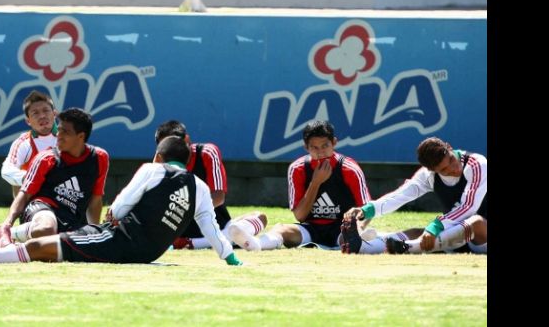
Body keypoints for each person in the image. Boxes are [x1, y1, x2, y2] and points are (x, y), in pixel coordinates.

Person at [0, 136, 243, 267]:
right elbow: (212, 229)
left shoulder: (152, 168)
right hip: (149, 252)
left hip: (121, 240)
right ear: (187, 162)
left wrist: (114, 217)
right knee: (53, 241)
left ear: (159, 156)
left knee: (44, 249)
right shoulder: (200, 186)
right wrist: (229, 258)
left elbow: (122, 203)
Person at [0, 108, 109, 246]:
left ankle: (8, 235)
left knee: (67, 241)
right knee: (46, 229)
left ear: (81, 136)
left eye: (65, 132)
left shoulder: (99, 158)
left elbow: (95, 200)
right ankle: (3, 233)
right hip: (41, 208)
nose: (58, 135)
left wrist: (94, 233)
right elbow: (24, 195)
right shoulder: (46, 158)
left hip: (72, 216)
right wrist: (7, 223)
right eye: (59, 129)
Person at [231, 120, 371, 251]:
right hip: (311, 228)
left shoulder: (349, 168)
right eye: (314, 147)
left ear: (334, 143)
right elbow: (300, 216)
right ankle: (256, 245)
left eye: (325, 146)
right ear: (306, 147)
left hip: (342, 228)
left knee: (349, 238)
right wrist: (315, 183)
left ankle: (361, 241)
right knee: (281, 229)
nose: (320, 152)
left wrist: (357, 229)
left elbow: (368, 209)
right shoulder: (297, 168)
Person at [341, 136, 487, 254]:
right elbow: (399, 196)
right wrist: (366, 211)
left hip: (482, 235)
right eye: (444, 170)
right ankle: (365, 246)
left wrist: (435, 226)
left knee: (476, 222)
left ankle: (409, 248)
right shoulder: (428, 175)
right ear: (431, 170)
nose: (453, 169)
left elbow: (469, 206)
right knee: (417, 232)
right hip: (456, 238)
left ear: (449, 147)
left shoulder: (478, 164)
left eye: (451, 160)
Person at [153, 120, 268, 251]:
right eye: (167, 147)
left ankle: (197, 242)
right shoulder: (159, 164)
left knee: (260, 216)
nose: (173, 151)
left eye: (175, 145)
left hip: (213, 222)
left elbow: (219, 197)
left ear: (187, 139)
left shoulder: (207, 153)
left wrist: (187, 210)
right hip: (178, 227)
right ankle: (222, 239)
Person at [0, 90, 58, 198]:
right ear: (28, 121)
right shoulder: (23, 142)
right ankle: (24, 213)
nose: (42, 116)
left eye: (46, 110)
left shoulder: (68, 138)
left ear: (54, 114)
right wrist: (30, 178)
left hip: (65, 198)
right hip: (33, 201)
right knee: (16, 180)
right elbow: (6, 170)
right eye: (35, 113)